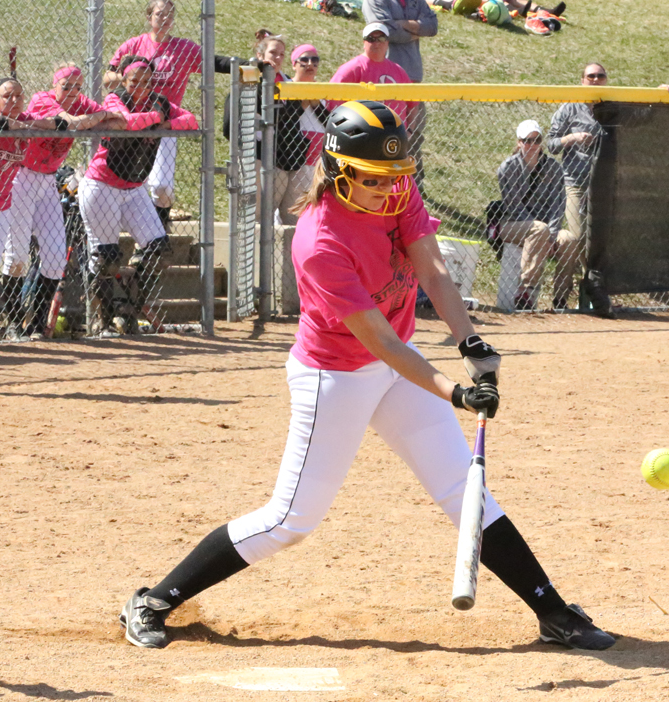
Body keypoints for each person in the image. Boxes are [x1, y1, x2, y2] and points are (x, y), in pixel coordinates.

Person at [118, 101, 614, 653]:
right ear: (340, 170)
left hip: (396, 368)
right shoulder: (319, 241)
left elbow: (433, 270)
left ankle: (553, 613)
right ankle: (154, 598)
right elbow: (379, 340)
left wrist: (472, 344)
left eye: (393, 177)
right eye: (375, 179)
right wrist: (456, 391)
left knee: (461, 488)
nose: (388, 189)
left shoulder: (395, 190)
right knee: (291, 520)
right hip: (335, 376)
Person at [79, 55, 196, 335]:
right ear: (124, 80)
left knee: (158, 250)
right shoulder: (114, 99)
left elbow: (191, 120)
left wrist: (166, 124)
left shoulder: (161, 101)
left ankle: (127, 308)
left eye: (146, 81)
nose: (141, 87)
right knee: (106, 256)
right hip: (102, 185)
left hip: (134, 189)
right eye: (134, 81)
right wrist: (157, 119)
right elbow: (128, 122)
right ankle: (103, 321)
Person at [2, 63, 116, 340]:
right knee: (17, 256)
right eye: (66, 87)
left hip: (48, 181)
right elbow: (71, 121)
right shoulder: (43, 99)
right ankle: (14, 322)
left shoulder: (81, 102)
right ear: (55, 86)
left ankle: (37, 325)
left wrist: (98, 114)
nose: (73, 93)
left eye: (78, 87)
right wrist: (95, 116)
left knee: (54, 258)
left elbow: (114, 119)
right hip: (22, 178)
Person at [0, 77, 61, 335]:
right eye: (7, 96)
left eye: (18, 96)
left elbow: (55, 121)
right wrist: (15, 122)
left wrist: (56, 121)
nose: (13, 100)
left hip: (2, 205)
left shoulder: (27, 121)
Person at [110, 0, 203, 223]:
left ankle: (160, 221)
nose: (165, 18)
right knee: (134, 179)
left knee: (161, 185)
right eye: (160, 13)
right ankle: (150, 232)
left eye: (170, 14)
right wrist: (130, 79)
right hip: (136, 119)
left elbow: (213, 63)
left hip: (165, 120)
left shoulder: (184, 48)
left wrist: (247, 64)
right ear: (148, 16)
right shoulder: (134, 45)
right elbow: (109, 75)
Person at [496, 120, 578, 313]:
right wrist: (542, 231)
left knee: (569, 240)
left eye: (537, 140)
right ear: (518, 142)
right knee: (538, 229)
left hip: (545, 228)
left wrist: (551, 234)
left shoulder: (553, 168)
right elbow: (513, 206)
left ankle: (560, 299)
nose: (532, 145)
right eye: (527, 140)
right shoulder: (507, 168)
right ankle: (526, 290)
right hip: (513, 224)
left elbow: (558, 206)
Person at [546, 63, 609, 310]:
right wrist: (572, 138)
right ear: (582, 80)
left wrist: (662, 91)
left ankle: (594, 293)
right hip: (574, 183)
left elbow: (640, 118)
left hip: (603, 185)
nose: (595, 80)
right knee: (578, 237)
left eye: (600, 76)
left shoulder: (611, 107)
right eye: (590, 76)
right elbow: (550, 144)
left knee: (600, 241)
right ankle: (567, 296)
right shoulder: (569, 107)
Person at [362, 0, 437, 84]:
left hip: (413, 72)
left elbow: (432, 26)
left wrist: (406, 24)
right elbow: (385, 33)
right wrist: (417, 32)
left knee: (416, 106)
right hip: (385, 75)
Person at [273, 44, 328, 222]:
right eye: (304, 60)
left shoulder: (322, 92)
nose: (310, 64)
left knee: (301, 215)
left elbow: (329, 124)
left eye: (315, 60)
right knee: (277, 212)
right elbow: (282, 122)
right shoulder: (285, 87)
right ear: (294, 64)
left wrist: (315, 104)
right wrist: (303, 104)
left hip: (312, 163)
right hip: (285, 158)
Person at [329, 24, 411, 122]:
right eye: (371, 39)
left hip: (395, 133)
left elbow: (413, 104)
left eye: (381, 38)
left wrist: (410, 131)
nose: (376, 43)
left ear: (387, 42)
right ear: (364, 42)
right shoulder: (352, 69)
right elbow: (332, 101)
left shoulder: (398, 71)